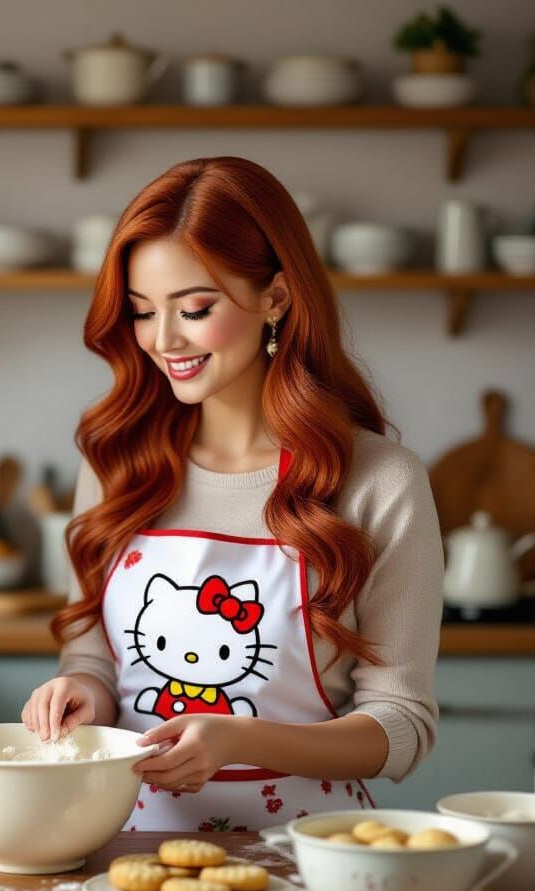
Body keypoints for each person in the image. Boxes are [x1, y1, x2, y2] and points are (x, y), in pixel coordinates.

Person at [22, 156, 443, 832]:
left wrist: (240, 738)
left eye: (194, 309)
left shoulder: (380, 480)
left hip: (309, 850)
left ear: (276, 297)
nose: (164, 340)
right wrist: (78, 691)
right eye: (142, 312)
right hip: (124, 845)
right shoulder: (116, 464)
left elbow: (402, 724)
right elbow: (95, 661)